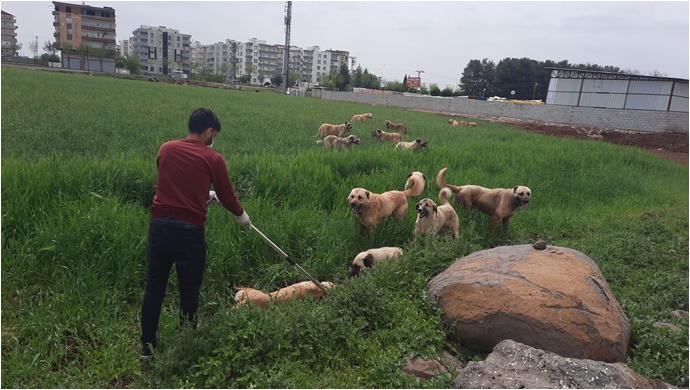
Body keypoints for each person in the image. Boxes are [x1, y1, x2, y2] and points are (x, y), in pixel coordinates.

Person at [140, 107, 251, 359]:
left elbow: (175, 183)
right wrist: (241, 215)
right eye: (215, 134)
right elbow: (227, 196)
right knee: (189, 289)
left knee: (154, 288)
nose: (214, 140)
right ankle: (186, 340)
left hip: (158, 227)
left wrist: (205, 196)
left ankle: (147, 347)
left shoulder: (165, 149)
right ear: (209, 131)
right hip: (189, 231)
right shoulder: (213, 158)